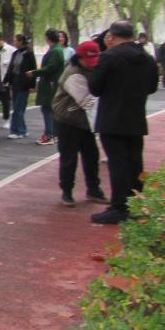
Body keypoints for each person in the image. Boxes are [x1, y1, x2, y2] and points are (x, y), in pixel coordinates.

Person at [88, 20, 158, 224]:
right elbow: (152, 87)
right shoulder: (146, 57)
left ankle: (119, 207)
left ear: (112, 36)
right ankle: (136, 203)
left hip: (112, 117)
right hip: (135, 116)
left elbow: (95, 88)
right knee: (135, 161)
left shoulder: (109, 57)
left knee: (117, 163)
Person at [51, 41, 106, 206]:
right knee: (69, 158)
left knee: (92, 156)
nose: (91, 65)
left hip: (84, 121)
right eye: (87, 61)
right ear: (79, 58)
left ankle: (93, 190)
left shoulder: (94, 68)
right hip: (68, 120)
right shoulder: (73, 74)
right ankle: (67, 192)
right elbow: (88, 102)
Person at [27, 28, 64, 145]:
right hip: (51, 83)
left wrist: (34, 73)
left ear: (47, 38)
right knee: (49, 109)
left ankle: (49, 134)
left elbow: (50, 67)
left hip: (50, 84)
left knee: (48, 109)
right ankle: (53, 133)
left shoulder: (55, 51)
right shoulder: (57, 49)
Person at [4, 33, 36, 139]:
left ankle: (16, 131)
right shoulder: (15, 53)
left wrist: (31, 84)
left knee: (18, 108)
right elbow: (11, 68)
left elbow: (33, 69)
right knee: (17, 107)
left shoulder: (28, 53)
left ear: (21, 42)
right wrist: (6, 80)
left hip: (23, 84)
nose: (14, 42)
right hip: (15, 83)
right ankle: (23, 129)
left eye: (16, 40)